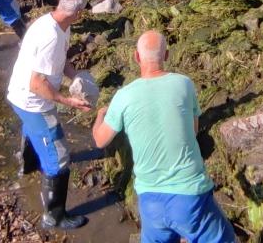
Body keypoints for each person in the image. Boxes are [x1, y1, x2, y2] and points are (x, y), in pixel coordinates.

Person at [92, 31, 235, 243]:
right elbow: (193, 131)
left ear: (137, 57)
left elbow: (100, 140)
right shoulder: (184, 84)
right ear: (167, 55)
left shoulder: (123, 96)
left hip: (150, 202)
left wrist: (99, 116)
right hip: (191, 196)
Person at [7, 0, 92, 230]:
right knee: (59, 156)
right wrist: (67, 100)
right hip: (32, 102)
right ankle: (54, 216)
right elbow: (36, 84)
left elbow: (61, 60)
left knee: (33, 132)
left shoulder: (57, 23)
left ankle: (28, 164)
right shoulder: (50, 37)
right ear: (77, 12)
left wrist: (75, 76)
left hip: (19, 96)